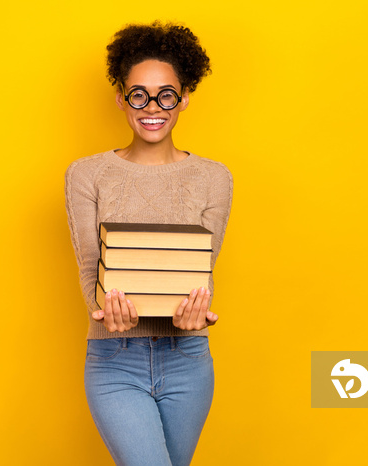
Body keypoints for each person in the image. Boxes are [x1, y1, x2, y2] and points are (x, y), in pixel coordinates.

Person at [64, 21, 233, 466]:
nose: (152, 107)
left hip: (188, 360)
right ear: (121, 98)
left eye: (166, 94)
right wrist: (102, 309)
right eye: (139, 94)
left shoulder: (214, 178)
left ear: (184, 98)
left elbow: (201, 268)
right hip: (114, 359)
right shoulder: (87, 175)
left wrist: (201, 308)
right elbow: (89, 267)